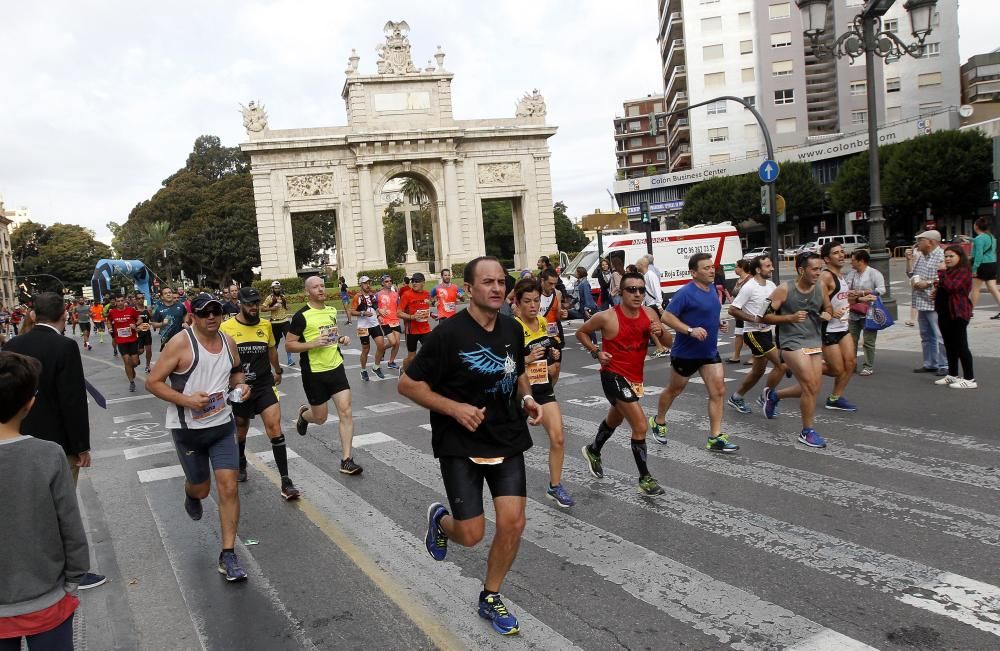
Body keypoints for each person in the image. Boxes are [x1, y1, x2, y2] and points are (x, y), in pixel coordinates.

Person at [399, 256, 542, 636]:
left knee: (513, 524)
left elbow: (518, 371)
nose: (497, 288)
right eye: (488, 282)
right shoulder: (447, 335)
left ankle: (490, 595)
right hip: (460, 442)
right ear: (468, 289)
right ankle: (441, 521)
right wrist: (455, 408)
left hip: (507, 436)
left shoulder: (512, 329)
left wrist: (527, 399)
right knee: (472, 534)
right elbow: (408, 384)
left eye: (501, 282)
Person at [1, 292, 105, 590]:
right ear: (64, 314)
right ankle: (71, 572)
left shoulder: (13, 344)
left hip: (15, 438)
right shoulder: (64, 346)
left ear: (33, 314)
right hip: (58, 443)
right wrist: (81, 446)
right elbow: (72, 399)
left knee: (24, 505)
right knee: (62, 506)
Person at [146, 293, 251, 582]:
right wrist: (187, 400)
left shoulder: (228, 341)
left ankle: (228, 553)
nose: (212, 317)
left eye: (216, 312)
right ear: (192, 315)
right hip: (188, 431)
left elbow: (237, 372)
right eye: (205, 313)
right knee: (202, 489)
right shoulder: (180, 343)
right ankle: (191, 492)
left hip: (222, 426)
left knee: (229, 487)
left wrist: (241, 387)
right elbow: (153, 382)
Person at [0, 352, 89, 651]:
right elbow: (70, 525)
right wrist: (73, 579)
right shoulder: (48, 455)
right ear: (29, 403)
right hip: (46, 598)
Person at [575, 272, 668, 495]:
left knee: (615, 418)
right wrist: (596, 352)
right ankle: (645, 478)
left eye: (641, 290)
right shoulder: (607, 317)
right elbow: (581, 332)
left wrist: (661, 331)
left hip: (634, 378)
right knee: (640, 425)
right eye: (632, 290)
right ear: (620, 292)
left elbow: (668, 342)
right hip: (612, 375)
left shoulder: (650, 313)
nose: (637, 294)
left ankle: (593, 450)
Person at [647, 253, 739, 453]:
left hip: (708, 352)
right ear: (693, 272)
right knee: (675, 390)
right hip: (686, 353)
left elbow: (706, 313)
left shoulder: (712, 288)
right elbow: (667, 317)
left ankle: (715, 437)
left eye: (712, 267)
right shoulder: (685, 293)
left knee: (718, 391)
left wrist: (718, 323)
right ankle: (658, 420)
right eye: (705, 268)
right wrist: (690, 330)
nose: (711, 270)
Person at [220, 287, 301, 497]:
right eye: (249, 304)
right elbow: (220, 357)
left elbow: (271, 349)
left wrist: (278, 370)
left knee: (274, 427)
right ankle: (240, 461)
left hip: (264, 384)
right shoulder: (226, 327)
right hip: (239, 387)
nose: (253, 308)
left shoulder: (265, 325)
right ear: (240, 303)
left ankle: (285, 480)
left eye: (256, 303)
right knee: (241, 428)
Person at [288, 277, 362, 475]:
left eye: (322, 285)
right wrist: (311, 344)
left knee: (345, 412)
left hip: (336, 367)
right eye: (315, 287)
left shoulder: (330, 311)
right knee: (320, 418)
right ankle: (304, 415)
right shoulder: (301, 316)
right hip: (314, 373)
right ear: (307, 292)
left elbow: (329, 336)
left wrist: (340, 338)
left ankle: (347, 460)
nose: (321, 289)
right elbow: (289, 345)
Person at [761, 253, 834, 449]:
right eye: (814, 269)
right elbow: (764, 316)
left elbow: (828, 306)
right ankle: (806, 431)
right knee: (810, 384)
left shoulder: (820, 287)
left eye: (820, 269)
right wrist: (790, 318)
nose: (818, 273)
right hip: (791, 342)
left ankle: (774, 396)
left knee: (812, 387)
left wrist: (827, 313)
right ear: (802, 270)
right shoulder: (784, 289)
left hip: (813, 340)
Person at [512, 278, 574, 507]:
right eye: (527, 301)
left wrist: (553, 358)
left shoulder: (542, 321)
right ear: (517, 303)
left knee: (558, 437)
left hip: (544, 389)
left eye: (536, 300)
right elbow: (507, 364)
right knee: (512, 448)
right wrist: (527, 359)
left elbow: (550, 351)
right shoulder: (513, 328)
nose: (532, 305)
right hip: (519, 394)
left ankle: (555, 486)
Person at [726, 255, 786, 414]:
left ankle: (736, 397)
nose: (772, 268)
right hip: (753, 333)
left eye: (771, 265)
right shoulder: (749, 287)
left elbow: (775, 306)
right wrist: (752, 318)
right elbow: (732, 309)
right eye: (768, 266)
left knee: (757, 372)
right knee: (781, 364)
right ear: (758, 269)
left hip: (766, 332)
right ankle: (765, 397)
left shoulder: (771, 285)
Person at [818, 242, 857, 411]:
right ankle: (797, 365)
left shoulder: (841, 275)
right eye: (836, 253)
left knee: (851, 363)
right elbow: (814, 303)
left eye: (842, 252)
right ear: (826, 259)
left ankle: (835, 398)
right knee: (836, 369)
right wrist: (830, 312)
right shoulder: (825, 277)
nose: (841, 255)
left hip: (842, 327)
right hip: (828, 329)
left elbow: (840, 298)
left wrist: (859, 298)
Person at [934, 245, 977, 389]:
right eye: (946, 256)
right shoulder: (949, 272)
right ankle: (952, 374)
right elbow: (945, 287)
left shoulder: (963, 271)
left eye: (951, 256)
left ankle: (970, 378)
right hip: (944, 312)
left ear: (960, 257)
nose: (947, 259)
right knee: (949, 345)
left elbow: (953, 287)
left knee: (961, 345)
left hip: (958, 312)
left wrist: (941, 272)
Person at [910, 230, 948, 376]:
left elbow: (945, 277)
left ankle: (944, 364)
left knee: (939, 335)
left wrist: (928, 283)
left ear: (930, 242)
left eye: (920, 240)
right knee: (926, 335)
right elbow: (914, 273)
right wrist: (915, 280)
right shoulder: (921, 256)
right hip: (921, 301)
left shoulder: (941, 256)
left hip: (934, 302)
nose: (918, 243)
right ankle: (930, 363)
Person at [845, 250, 885, 376]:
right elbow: (845, 289)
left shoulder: (874, 273)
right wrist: (851, 293)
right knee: (851, 340)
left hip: (870, 311)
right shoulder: (851, 274)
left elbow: (881, 290)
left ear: (861, 261)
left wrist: (862, 293)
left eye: (853, 260)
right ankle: (852, 364)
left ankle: (868, 366)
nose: (851, 262)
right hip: (853, 311)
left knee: (868, 340)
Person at [635, 256, 670, 358]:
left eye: (637, 264)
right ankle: (662, 347)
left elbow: (657, 291)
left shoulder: (650, 275)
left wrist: (659, 306)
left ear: (642, 265)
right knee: (652, 327)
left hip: (654, 305)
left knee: (653, 327)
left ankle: (662, 347)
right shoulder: (645, 276)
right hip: (650, 305)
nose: (636, 266)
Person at [398, 272, 432, 373]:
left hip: (425, 329)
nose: (414, 283)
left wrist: (432, 314)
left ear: (423, 282)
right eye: (413, 281)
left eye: (417, 281)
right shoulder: (407, 295)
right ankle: (403, 369)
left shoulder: (426, 294)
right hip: (412, 331)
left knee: (432, 351)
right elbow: (398, 313)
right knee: (412, 357)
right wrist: (412, 317)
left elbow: (426, 310)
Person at [537, 269, 566, 385]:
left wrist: (563, 314)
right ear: (542, 281)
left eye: (555, 283)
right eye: (550, 283)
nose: (553, 286)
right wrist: (513, 307)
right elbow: (511, 299)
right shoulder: (534, 293)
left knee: (556, 368)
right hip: (539, 336)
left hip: (554, 335)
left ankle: (550, 393)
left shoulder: (557, 293)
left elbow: (558, 315)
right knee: (545, 369)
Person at [350, 276, 380, 382]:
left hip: (374, 324)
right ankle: (363, 370)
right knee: (366, 350)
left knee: (381, 346)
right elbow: (352, 312)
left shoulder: (372, 295)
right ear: (361, 285)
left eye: (369, 283)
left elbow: (376, 306)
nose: (368, 285)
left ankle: (376, 367)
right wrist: (363, 313)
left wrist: (380, 311)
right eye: (365, 283)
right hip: (363, 327)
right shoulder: (357, 297)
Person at [108, 295, 141, 392]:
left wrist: (135, 324)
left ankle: (132, 368)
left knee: (134, 362)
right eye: (118, 301)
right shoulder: (112, 312)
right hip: (121, 341)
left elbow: (140, 319)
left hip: (132, 340)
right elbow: (108, 321)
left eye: (122, 300)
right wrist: (110, 328)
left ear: (124, 301)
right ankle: (131, 382)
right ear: (116, 302)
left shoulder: (131, 310)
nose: (120, 302)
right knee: (126, 361)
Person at [970, 217, 1000, 317]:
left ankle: (969, 311)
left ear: (977, 226)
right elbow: (984, 244)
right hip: (992, 264)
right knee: (993, 288)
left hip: (982, 265)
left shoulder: (979, 239)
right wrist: (970, 239)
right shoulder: (992, 237)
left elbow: (978, 255)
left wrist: (974, 269)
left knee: (975, 289)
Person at [372, 275, 401, 376]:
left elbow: (399, 306)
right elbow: (372, 304)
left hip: (395, 320)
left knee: (397, 343)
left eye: (390, 281)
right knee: (392, 342)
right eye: (386, 281)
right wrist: (378, 312)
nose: (389, 282)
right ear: (383, 283)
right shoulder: (378, 294)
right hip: (385, 321)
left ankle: (391, 362)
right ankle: (382, 349)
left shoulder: (395, 294)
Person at [261, 281, 293, 367]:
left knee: (288, 340)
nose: (277, 289)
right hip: (275, 322)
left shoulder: (283, 297)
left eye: (279, 288)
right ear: (272, 289)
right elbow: (262, 309)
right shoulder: (269, 298)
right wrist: (272, 308)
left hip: (285, 321)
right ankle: (273, 359)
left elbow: (286, 307)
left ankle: (290, 359)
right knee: (276, 343)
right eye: (276, 288)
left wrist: (287, 307)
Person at [726, 260, 751, 364]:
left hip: (747, 311)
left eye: (736, 267)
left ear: (741, 268)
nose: (734, 269)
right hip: (738, 311)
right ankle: (736, 356)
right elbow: (735, 294)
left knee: (750, 334)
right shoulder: (739, 280)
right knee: (738, 333)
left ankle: (756, 356)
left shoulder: (750, 280)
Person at [151, 287, 190, 351]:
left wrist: (185, 322)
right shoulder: (159, 309)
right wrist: (162, 324)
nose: (168, 294)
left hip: (180, 337)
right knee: (170, 359)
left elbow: (185, 314)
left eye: (169, 292)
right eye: (165, 293)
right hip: (166, 339)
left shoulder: (180, 306)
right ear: (162, 297)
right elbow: (154, 324)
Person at [569, 266, 599, 345]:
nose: (575, 273)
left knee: (589, 325)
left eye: (576, 272)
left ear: (580, 273)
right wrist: (570, 303)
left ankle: (594, 342)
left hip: (587, 306)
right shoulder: (578, 283)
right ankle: (591, 342)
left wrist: (586, 309)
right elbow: (576, 296)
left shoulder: (584, 284)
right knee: (587, 325)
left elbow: (587, 297)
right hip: (582, 306)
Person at [135, 294, 154, 373]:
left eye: (142, 298)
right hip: (138, 334)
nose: (141, 300)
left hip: (147, 333)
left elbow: (152, 319)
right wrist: (136, 328)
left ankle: (147, 365)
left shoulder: (147, 309)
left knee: (149, 350)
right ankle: (135, 356)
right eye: (139, 298)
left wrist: (152, 324)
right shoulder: (134, 310)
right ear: (136, 300)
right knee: (141, 351)